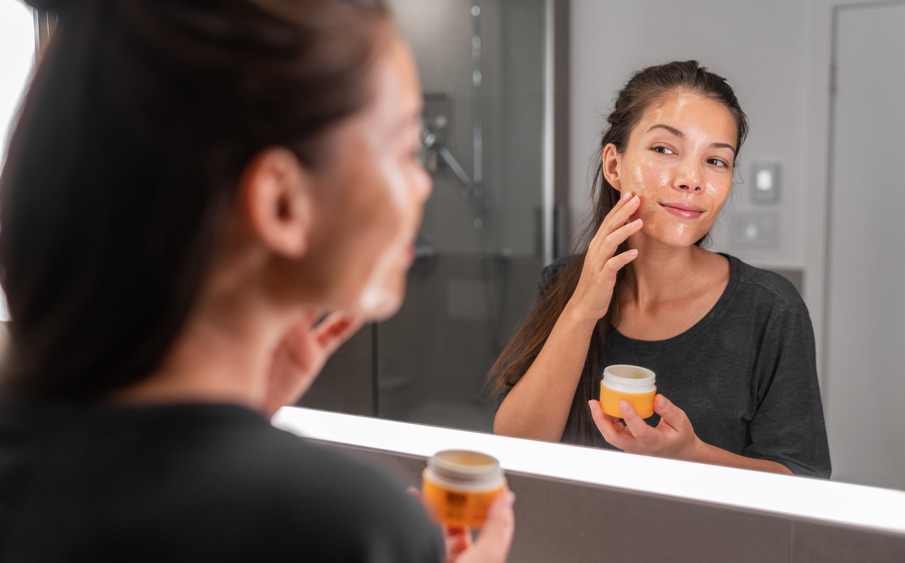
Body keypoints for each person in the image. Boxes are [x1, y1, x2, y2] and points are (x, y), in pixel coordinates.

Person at [0, 0, 514, 561]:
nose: (422, 184)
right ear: (281, 202)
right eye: (405, 149)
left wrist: (240, 416)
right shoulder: (347, 528)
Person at [489, 61, 831, 478]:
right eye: (665, 150)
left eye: (716, 161)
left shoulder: (771, 309)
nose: (692, 179)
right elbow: (514, 449)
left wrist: (691, 455)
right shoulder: (562, 283)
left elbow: (805, 480)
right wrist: (581, 309)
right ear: (613, 165)